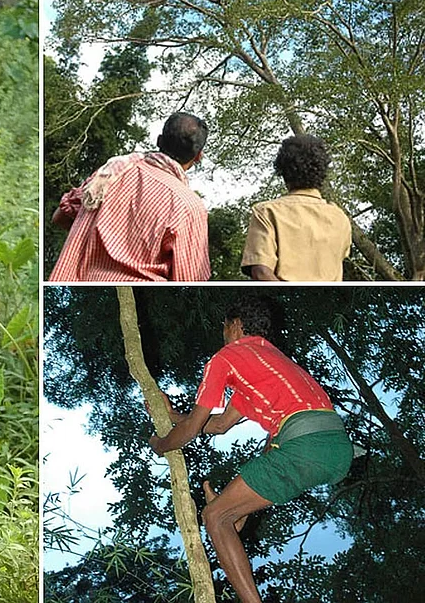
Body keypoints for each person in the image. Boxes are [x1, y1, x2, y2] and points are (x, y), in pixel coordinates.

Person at [147, 297, 353, 603]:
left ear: (237, 324)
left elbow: (190, 433)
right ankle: (235, 512)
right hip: (336, 451)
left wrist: (160, 444)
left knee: (214, 517)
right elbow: (217, 425)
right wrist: (172, 416)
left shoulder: (227, 357)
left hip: (303, 445)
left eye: (225, 325)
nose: (223, 332)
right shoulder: (270, 362)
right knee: (226, 513)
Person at [49, 112, 211, 282]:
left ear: (159, 141)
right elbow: (190, 280)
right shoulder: (190, 207)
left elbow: (59, 217)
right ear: (198, 156)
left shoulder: (111, 172)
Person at [241, 134, 352, 281]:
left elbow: (261, 272)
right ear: (322, 173)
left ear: (283, 172)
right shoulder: (340, 218)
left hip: (285, 301)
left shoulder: (267, 212)